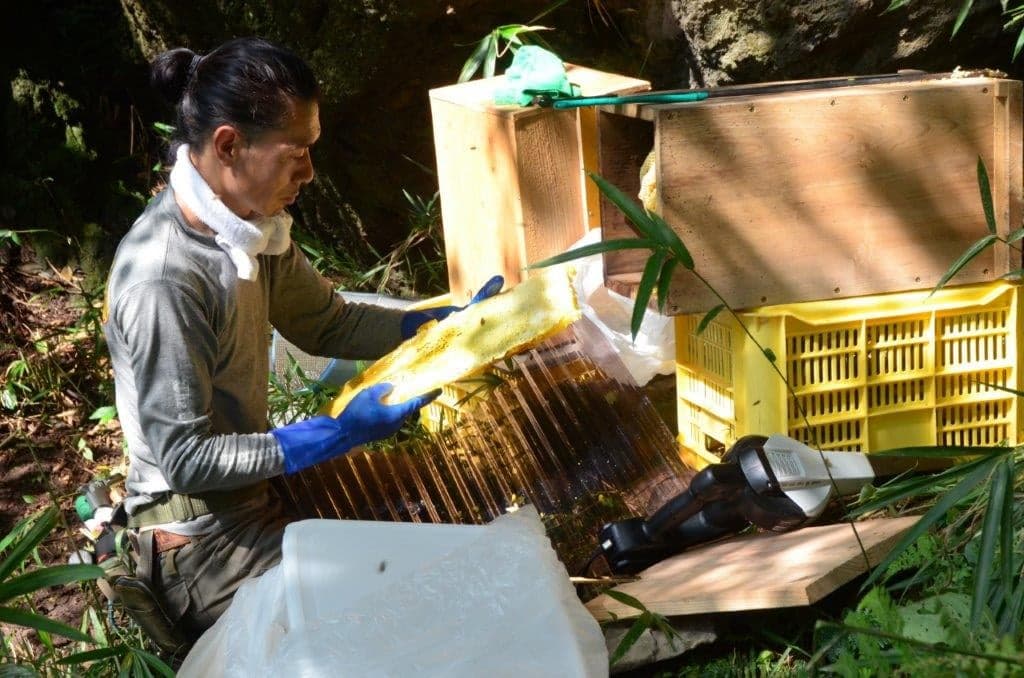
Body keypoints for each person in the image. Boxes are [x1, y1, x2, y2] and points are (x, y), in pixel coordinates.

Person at [103, 37, 500, 654]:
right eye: (297, 155)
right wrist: (330, 434)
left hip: (251, 500)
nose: (310, 174)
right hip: (199, 540)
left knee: (430, 541)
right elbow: (184, 459)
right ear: (230, 145)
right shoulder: (164, 278)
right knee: (399, 615)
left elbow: (327, 324)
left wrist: (437, 323)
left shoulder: (249, 229)